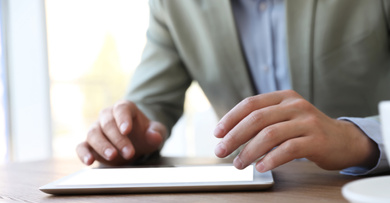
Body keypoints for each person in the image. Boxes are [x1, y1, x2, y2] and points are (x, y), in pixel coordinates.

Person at [76, 0, 390, 175]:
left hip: (365, 200)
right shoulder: (172, 6)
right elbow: (149, 103)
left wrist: (356, 139)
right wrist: (128, 134)